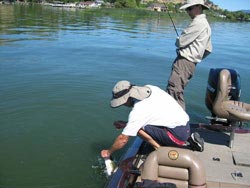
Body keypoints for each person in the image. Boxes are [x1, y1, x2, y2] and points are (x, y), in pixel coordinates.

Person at [101, 80, 204, 160]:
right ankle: (188, 139)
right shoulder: (150, 88)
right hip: (185, 126)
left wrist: (108, 152)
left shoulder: (138, 111)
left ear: (128, 98)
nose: (123, 105)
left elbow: (123, 139)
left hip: (176, 136)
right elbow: (152, 113)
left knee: (138, 128)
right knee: (137, 124)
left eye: (122, 102)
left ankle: (159, 149)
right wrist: (126, 124)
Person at [166, 0, 212, 110]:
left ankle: (178, 124)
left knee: (174, 91)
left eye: (189, 8)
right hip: (190, 65)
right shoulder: (206, 25)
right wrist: (195, 58)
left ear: (199, 7)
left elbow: (180, 42)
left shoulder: (198, 22)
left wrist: (180, 43)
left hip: (184, 62)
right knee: (176, 91)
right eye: (187, 9)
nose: (188, 11)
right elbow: (208, 49)